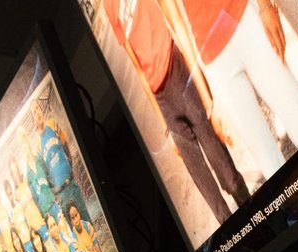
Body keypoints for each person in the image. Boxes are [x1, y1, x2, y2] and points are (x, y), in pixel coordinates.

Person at [103, 0, 250, 225]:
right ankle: (242, 250)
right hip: (164, 103)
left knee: (230, 179)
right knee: (217, 206)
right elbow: (138, 68)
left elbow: (177, 23)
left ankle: (264, 223)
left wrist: (202, 87)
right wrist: (165, 126)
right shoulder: (109, 7)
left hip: (179, 73)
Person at [179, 0, 298, 186]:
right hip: (216, 60)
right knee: (268, 160)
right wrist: (209, 104)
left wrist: (265, 7)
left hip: (244, 18)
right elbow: (179, 27)